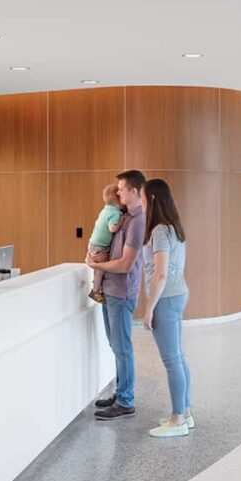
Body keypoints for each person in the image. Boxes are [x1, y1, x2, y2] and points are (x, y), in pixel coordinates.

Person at [85, 169, 148, 421]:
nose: (118, 191)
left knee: (122, 348)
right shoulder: (124, 216)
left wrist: (96, 266)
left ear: (134, 191)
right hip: (110, 290)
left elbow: (125, 264)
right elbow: (109, 248)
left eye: (122, 188)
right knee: (115, 345)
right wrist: (93, 257)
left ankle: (125, 400)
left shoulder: (137, 221)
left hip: (121, 293)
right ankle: (121, 391)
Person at [139, 178, 193, 438]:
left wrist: (149, 308)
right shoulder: (174, 227)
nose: (139, 200)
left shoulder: (160, 231)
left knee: (172, 360)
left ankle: (177, 418)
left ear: (151, 199)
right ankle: (185, 411)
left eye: (141, 196)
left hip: (166, 298)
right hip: (178, 293)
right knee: (179, 357)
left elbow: (160, 274)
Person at [87, 184, 125, 304]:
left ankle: (96, 287)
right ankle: (96, 290)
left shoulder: (105, 210)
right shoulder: (115, 213)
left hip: (93, 243)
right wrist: (121, 221)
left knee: (99, 269)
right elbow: (112, 229)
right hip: (100, 246)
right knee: (100, 270)